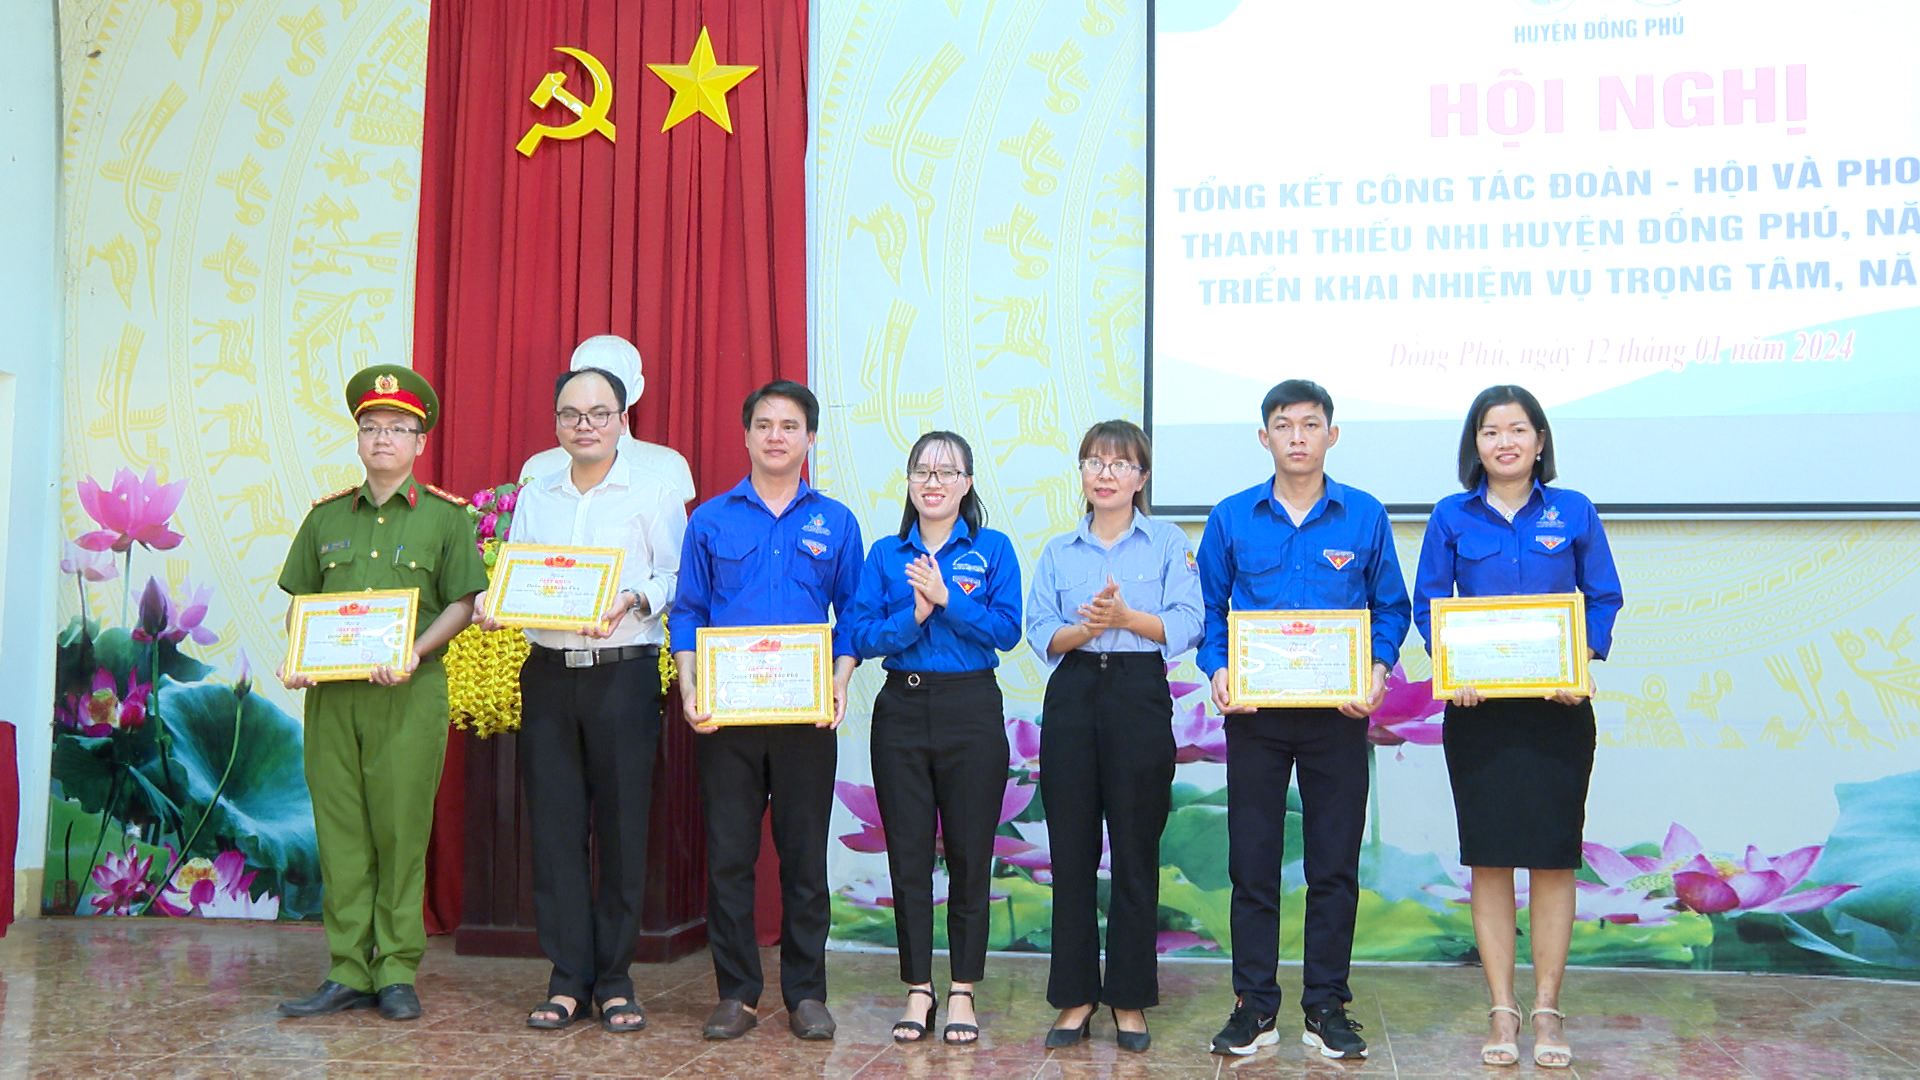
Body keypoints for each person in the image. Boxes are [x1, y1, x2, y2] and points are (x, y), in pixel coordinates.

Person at [1195, 379, 1410, 1061]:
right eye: (1283, 425)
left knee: (1333, 866)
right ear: (1265, 438)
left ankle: (1326, 1006)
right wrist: (1218, 668)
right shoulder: (1232, 517)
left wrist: (1377, 669)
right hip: (1256, 717)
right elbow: (1209, 611)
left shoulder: (1364, 515)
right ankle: (1254, 1007)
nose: (1297, 437)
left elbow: (1392, 607)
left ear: (1331, 435)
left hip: (1337, 717)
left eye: (1310, 424)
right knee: (1253, 865)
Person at [1411, 384, 1622, 1070]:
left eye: (1518, 429)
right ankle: (1502, 1008)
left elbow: (1603, 596)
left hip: (1558, 712)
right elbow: (1429, 602)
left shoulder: (1574, 510)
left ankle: (1549, 1009)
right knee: (1490, 858)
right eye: (1490, 431)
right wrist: (1451, 664)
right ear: (1475, 445)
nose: (1505, 442)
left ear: (1539, 441)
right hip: (1479, 714)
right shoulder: (1451, 515)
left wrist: (1582, 660)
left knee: (1554, 858)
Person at [274, 365, 490, 1021]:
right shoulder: (325, 518)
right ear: (358, 438)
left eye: (398, 428)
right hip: (333, 699)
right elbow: (303, 602)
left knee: (400, 834)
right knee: (341, 833)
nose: (383, 439)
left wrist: (414, 652)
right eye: (371, 427)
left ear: (420, 441)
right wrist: (299, 657)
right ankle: (347, 969)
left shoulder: (447, 519)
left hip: (409, 693)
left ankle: (395, 970)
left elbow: (462, 603)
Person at [478, 366, 685, 1034]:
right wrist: (495, 604)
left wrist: (634, 598)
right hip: (547, 675)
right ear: (557, 424)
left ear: (623, 420)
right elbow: (519, 575)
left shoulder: (654, 493)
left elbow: (676, 576)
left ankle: (616, 982)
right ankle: (567, 978)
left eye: (598, 413)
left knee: (624, 831)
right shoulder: (537, 497)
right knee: (556, 830)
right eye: (571, 414)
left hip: (623, 674)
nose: (585, 425)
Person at [670, 380, 862, 1042]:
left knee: (804, 860)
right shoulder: (710, 520)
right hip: (727, 717)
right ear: (746, 435)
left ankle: (806, 994)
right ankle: (737, 993)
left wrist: (840, 681)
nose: (776, 436)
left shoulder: (836, 521)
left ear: (810, 439)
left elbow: (853, 614)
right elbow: (689, 611)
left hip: (806, 717)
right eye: (764, 425)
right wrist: (689, 687)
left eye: (789, 426)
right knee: (729, 857)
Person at [1024, 420, 1203, 1053]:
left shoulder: (1168, 543)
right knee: (1071, 851)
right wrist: (1087, 630)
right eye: (1094, 462)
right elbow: (1038, 628)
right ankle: (1075, 996)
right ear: (1081, 473)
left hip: (1138, 694)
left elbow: (1190, 621)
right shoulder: (1059, 551)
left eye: (1120, 464)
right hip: (1073, 692)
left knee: (1134, 849)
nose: (1105, 474)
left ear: (1141, 478)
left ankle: (1129, 998)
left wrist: (1126, 618)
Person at [843, 431, 1022, 1047]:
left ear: (967, 484)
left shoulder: (992, 549)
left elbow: (1007, 631)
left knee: (971, 854)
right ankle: (918, 988)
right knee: (909, 855)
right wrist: (914, 615)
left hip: (971, 707)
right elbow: (863, 636)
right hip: (902, 708)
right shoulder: (885, 554)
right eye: (923, 470)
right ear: (910, 482)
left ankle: (963, 989)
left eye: (947, 472)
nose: (934, 482)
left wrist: (947, 601)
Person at [518, 335, 696, 504]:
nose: (593, 386)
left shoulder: (668, 468)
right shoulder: (538, 469)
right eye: (583, 374)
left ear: (636, 388)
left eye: (607, 376)